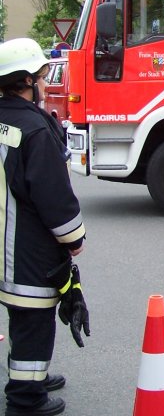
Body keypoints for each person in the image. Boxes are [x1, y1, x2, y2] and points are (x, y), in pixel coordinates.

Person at [0, 38, 88, 416]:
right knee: (34, 317)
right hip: (26, 247)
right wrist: (73, 237)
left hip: (5, 242)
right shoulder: (34, 129)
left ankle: (29, 378)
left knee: (20, 316)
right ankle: (25, 397)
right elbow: (53, 194)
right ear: (26, 81)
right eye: (40, 76)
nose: (43, 82)